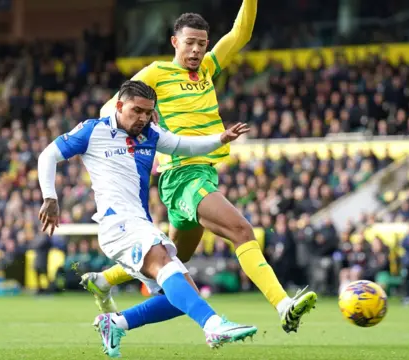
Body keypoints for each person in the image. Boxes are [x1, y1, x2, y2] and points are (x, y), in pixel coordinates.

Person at [86, 0, 317, 334]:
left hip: (204, 171)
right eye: (189, 43)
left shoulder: (208, 69)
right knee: (241, 230)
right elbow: (114, 104)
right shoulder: (156, 73)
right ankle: (284, 305)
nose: (195, 50)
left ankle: (106, 287)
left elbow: (241, 33)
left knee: (174, 259)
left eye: (202, 44)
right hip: (181, 175)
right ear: (175, 42)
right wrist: (127, 129)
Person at [37, 80, 256, 357]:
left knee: (183, 296)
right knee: (165, 263)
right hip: (117, 224)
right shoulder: (93, 130)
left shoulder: (150, 133)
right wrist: (50, 198)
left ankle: (116, 322)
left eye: (147, 112)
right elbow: (48, 155)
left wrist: (220, 139)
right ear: (119, 106)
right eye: (136, 110)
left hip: (139, 223)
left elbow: (183, 145)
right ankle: (213, 325)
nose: (141, 118)